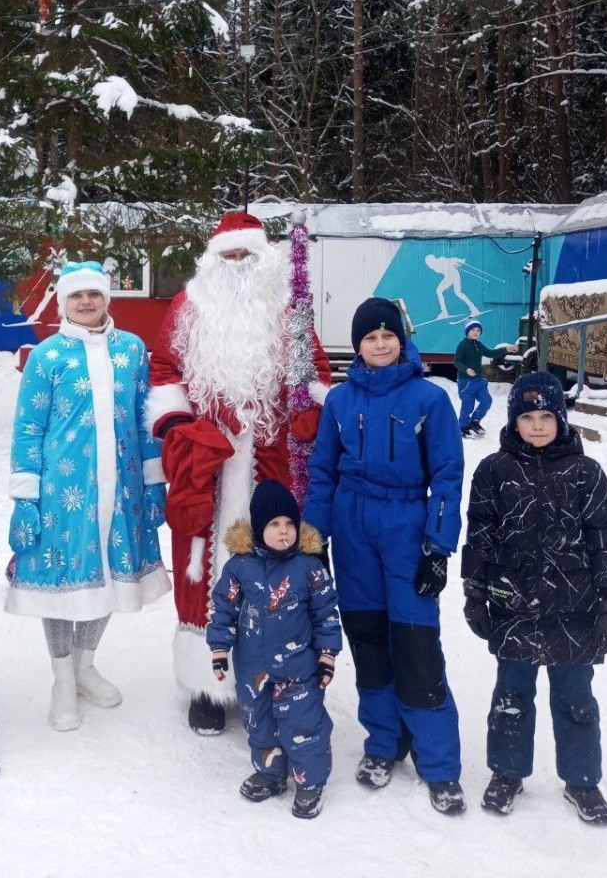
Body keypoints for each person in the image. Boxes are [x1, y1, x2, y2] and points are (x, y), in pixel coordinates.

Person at [146, 211, 331, 735]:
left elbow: (314, 372)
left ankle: (264, 677)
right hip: (207, 459)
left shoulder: (290, 308)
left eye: (245, 254)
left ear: (264, 257)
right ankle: (206, 685)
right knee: (200, 566)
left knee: (273, 563)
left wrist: (308, 409)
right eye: (227, 255)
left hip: (270, 459)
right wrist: (179, 424)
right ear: (212, 260)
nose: (236, 263)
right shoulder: (188, 306)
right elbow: (164, 368)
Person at [304, 297, 467, 815]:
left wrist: (438, 546)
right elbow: (322, 472)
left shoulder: (430, 399)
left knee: (416, 641)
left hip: (406, 525)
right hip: (352, 527)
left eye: (388, 336)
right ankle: (383, 742)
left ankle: (438, 763)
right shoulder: (339, 400)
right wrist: (314, 541)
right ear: (358, 346)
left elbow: (447, 475)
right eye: (370, 338)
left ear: (401, 341)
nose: (379, 344)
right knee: (369, 638)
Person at [7, 260, 170, 731]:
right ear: (63, 302)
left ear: (106, 298)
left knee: (111, 579)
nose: (85, 302)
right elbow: (28, 429)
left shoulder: (131, 350)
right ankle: (62, 679)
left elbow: (145, 418)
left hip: (122, 488)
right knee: (65, 584)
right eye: (76, 295)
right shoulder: (47, 357)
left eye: (93, 294)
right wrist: (25, 497)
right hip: (64, 493)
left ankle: (85, 665)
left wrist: (154, 480)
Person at [461, 371, 607, 824]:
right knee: (511, 696)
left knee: (576, 700)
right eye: (527, 417)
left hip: (575, 607)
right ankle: (507, 772)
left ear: (561, 420)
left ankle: (582, 780)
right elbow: (479, 536)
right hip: (512, 604)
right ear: (514, 421)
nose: (536, 425)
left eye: (546, 417)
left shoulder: (586, 473)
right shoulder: (493, 471)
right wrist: (475, 592)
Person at [207, 480, 341, 819]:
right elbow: (223, 608)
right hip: (253, 668)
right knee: (259, 722)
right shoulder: (240, 567)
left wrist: (327, 655)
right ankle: (270, 773)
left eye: (289, 524)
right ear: (257, 529)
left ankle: (310, 782)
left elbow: (325, 613)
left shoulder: (309, 568)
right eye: (274, 524)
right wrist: (219, 647)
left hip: (299, 668)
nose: (283, 531)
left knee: (303, 724)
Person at [454, 320, 518, 438]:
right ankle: (462, 428)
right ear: (467, 331)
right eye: (473, 329)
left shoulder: (479, 345)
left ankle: (475, 421)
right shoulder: (463, 345)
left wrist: (506, 349)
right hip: (466, 382)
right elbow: (457, 361)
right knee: (468, 405)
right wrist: (466, 369)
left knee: (486, 400)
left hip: (479, 380)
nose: (476, 332)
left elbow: (490, 353)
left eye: (478, 330)